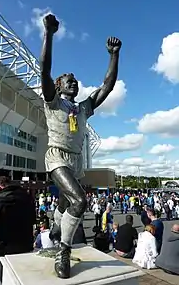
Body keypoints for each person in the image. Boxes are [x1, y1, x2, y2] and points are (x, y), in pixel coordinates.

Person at [40, 14, 121, 279]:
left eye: (76, 80)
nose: (73, 82)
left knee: (65, 205)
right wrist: (49, 34)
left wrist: (113, 55)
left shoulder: (83, 108)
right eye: (68, 80)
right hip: (57, 157)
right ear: (59, 86)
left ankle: (55, 228)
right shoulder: (53, 101)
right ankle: (63, 250)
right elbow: (44, 70)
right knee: (79, 200)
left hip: (76, 161)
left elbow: (107, 87)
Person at [0, 176, 36, 285]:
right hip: (23, 246)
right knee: (19, 279)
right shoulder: (27, 197)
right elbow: (33, 219)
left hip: (1, 248)